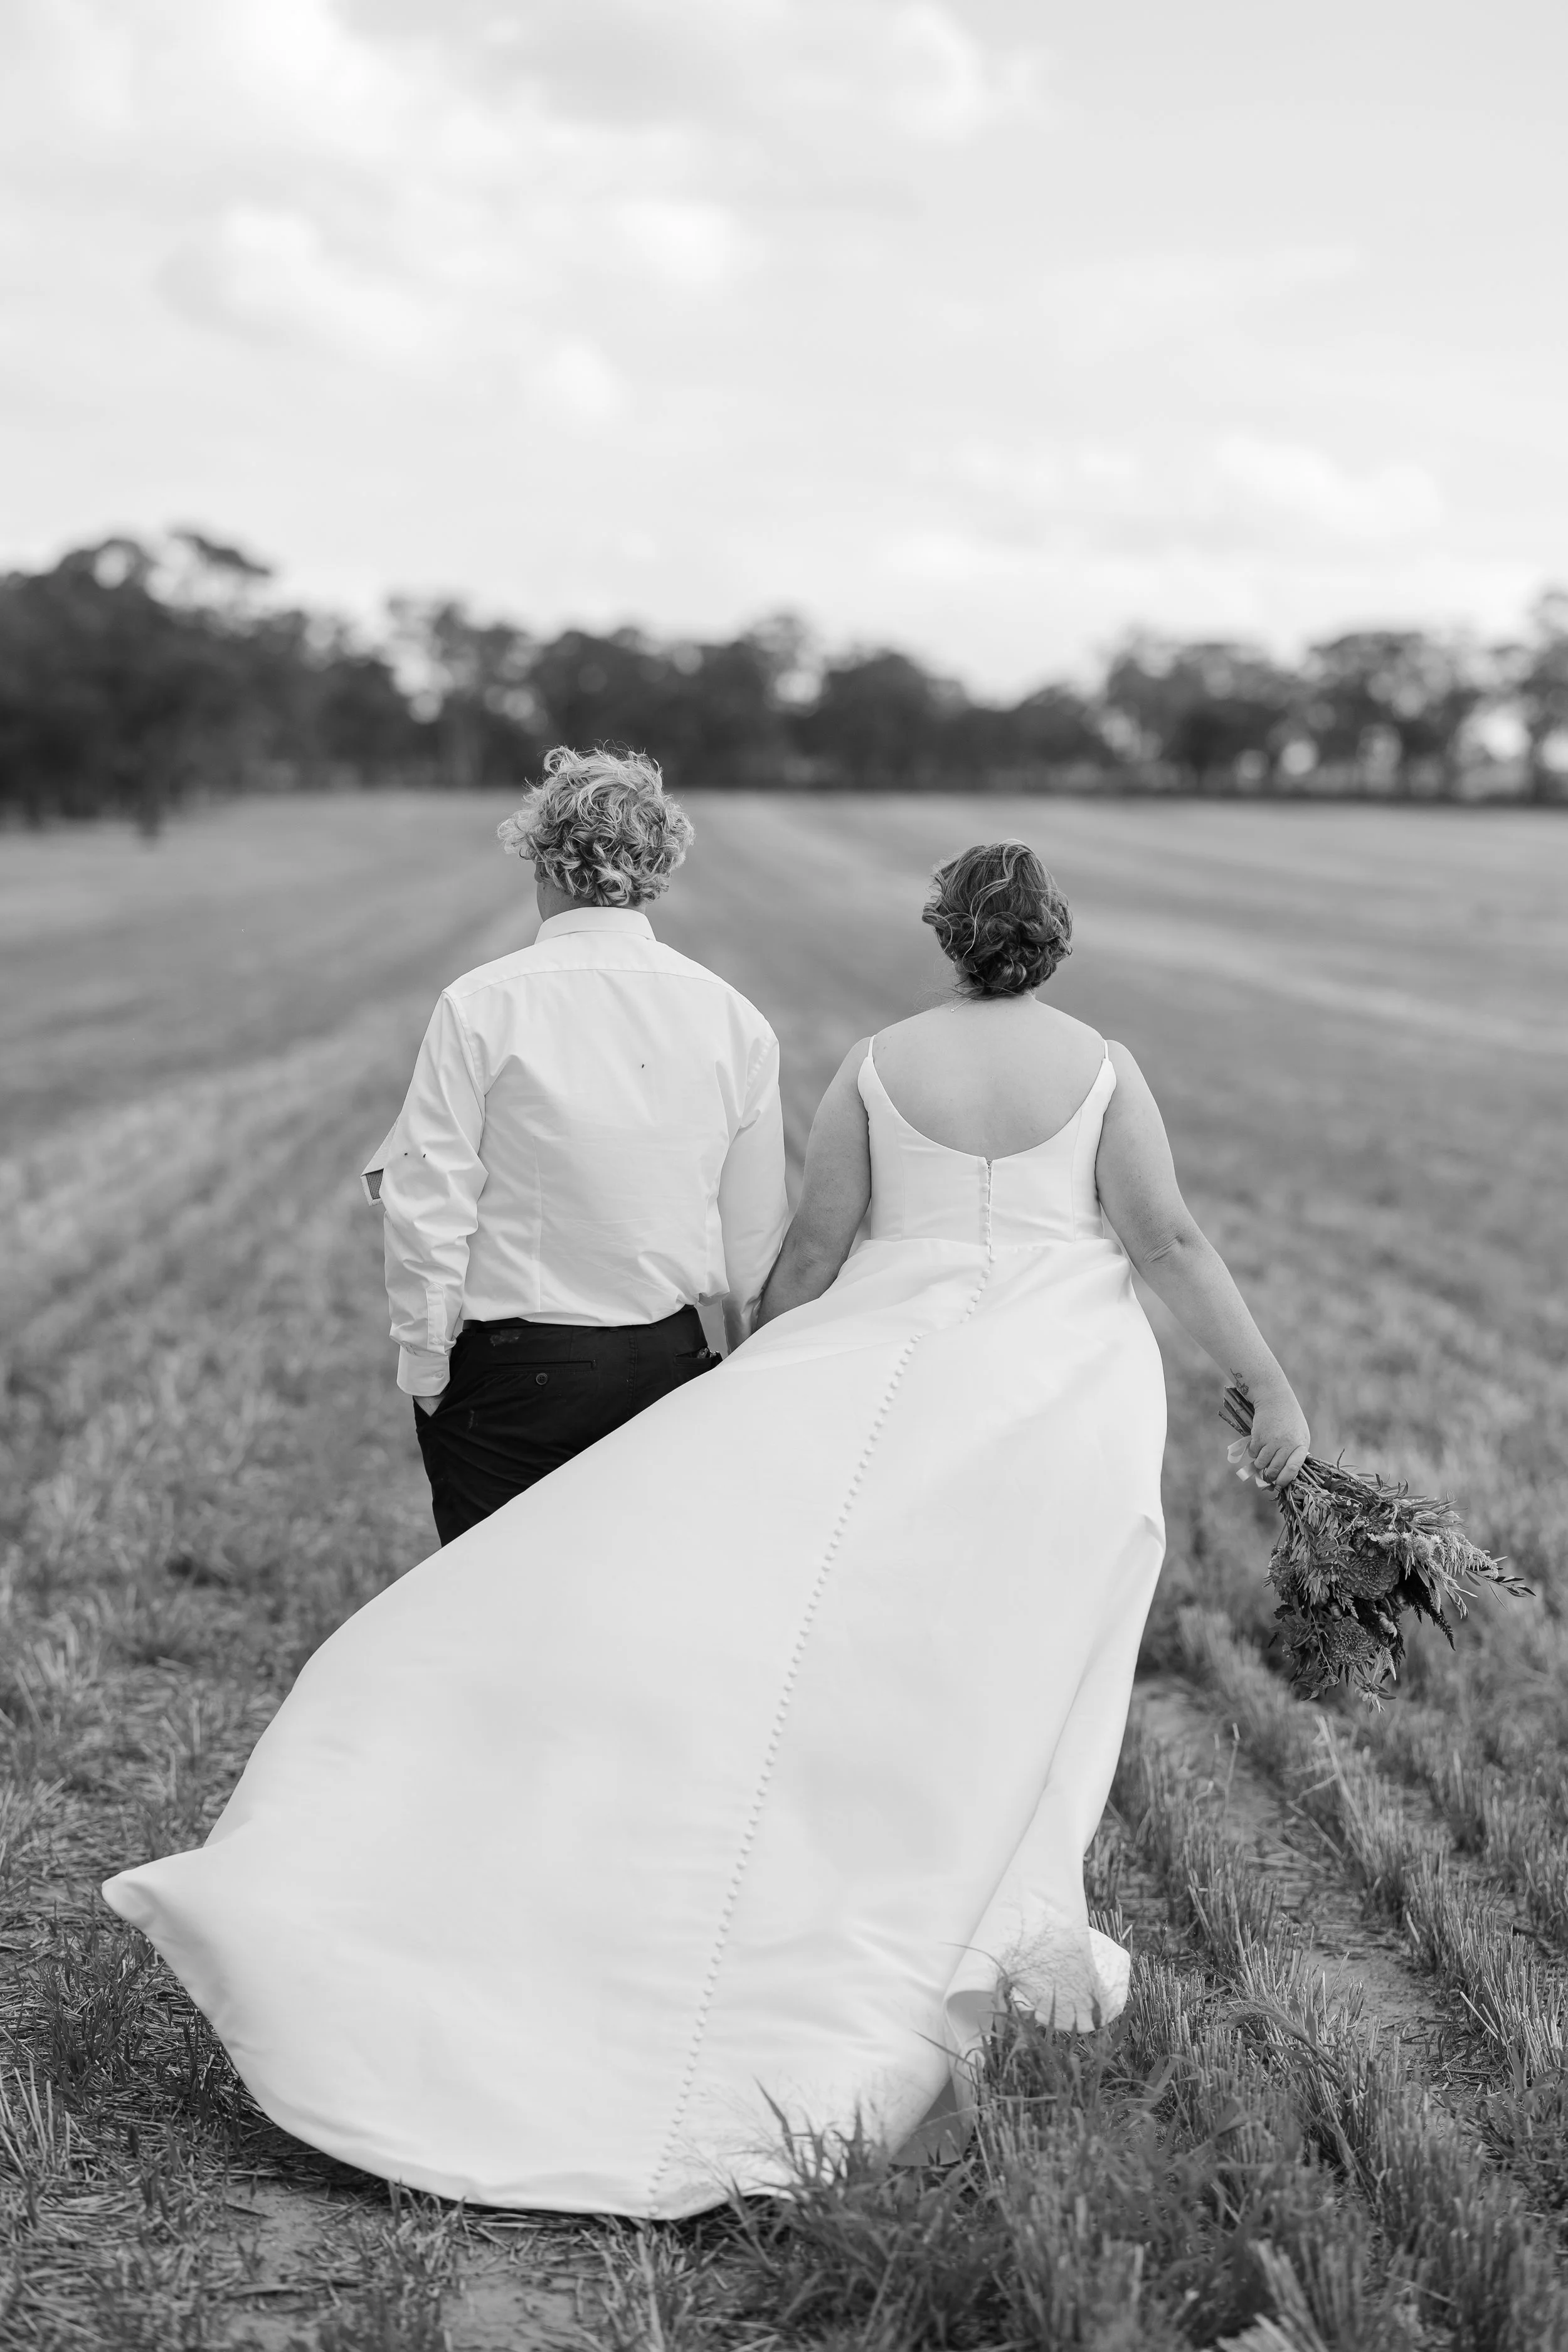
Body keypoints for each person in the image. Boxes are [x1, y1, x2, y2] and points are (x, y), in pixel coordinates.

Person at [103, 838, 1308, 2221]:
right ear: (1052, 938)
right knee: (1014, 1678)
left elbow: (809, 1250)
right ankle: (967, 1929)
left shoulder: (876, 1061)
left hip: (887, 1372)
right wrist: (1265, 1388)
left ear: (944, 935)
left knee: (835, 1657)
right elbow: (1164, 1243)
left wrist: (745, 1391)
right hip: (1054, 1400)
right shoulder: (1102, 1065)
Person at [360, 746, 789, 1544]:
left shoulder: (482, 1004)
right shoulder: (735, 1019)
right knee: (634, 1622)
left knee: (492, 1620)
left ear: (544, 862)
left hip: (514, 1373)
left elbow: (427, 1198)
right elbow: (754, 1247)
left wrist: (426, 1368)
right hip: (672, 1366)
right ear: (658, 870)